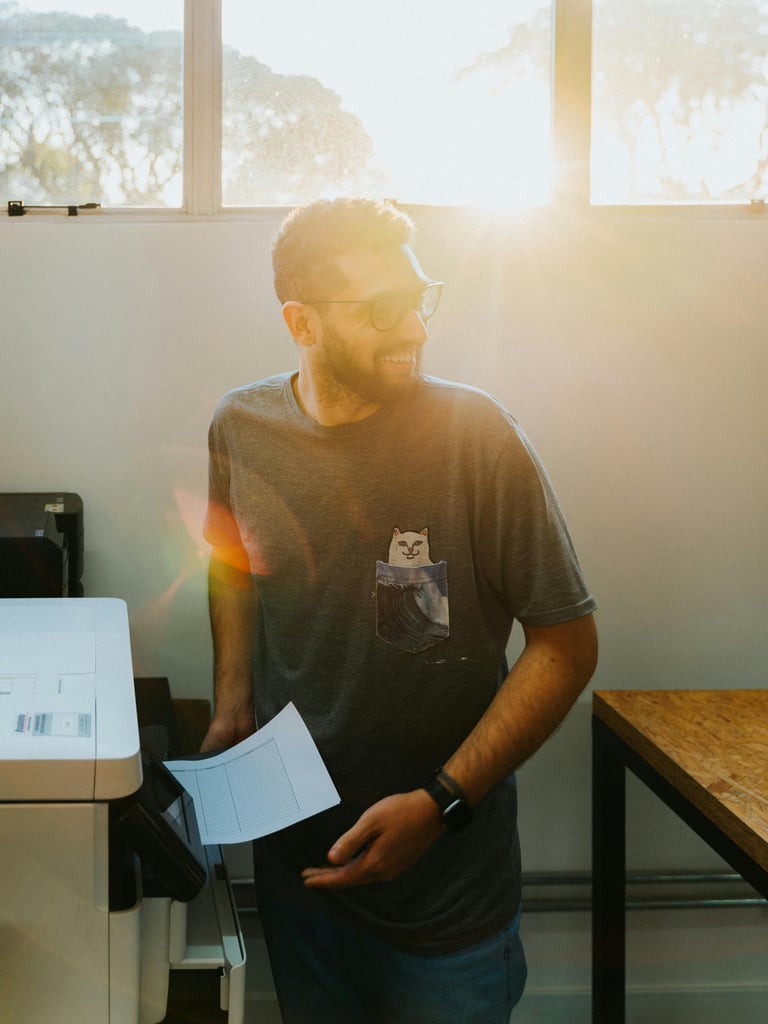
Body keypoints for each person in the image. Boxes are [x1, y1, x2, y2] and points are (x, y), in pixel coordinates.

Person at [200, 198, 598, 1024]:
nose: (414, 330)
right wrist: (234, 700)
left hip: (445, 900)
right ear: (301, 322)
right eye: (382, 309)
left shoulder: (476, 438)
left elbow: (566, 643)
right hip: (298, 870)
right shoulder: (241, 427)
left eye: (420, 299)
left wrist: (442, 803)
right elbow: (231, 564)